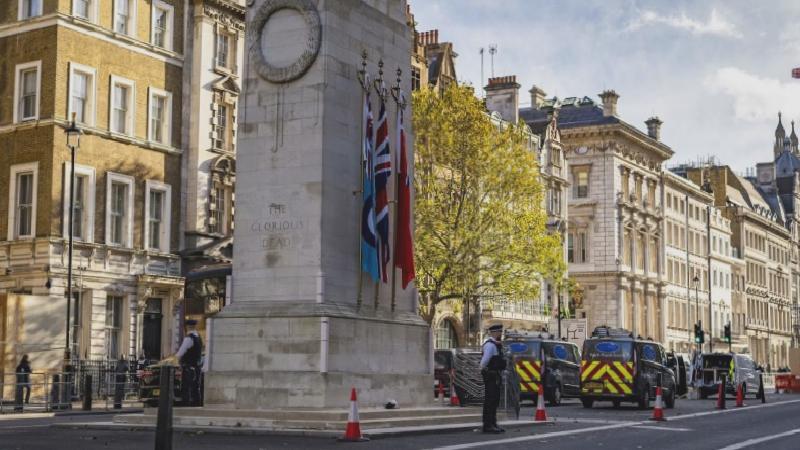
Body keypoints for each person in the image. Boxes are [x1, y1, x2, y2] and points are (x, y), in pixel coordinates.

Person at [479, 324, 506, 434]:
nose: (500, 334)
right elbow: (484, 361)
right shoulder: (490, 345)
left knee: (494, 400)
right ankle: (488, 425)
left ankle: (493, 423)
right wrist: (482, 369)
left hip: (495, 375)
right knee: (490, 400)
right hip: (491, 375)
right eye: (499, 332)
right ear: (494, 333)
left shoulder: (496, 344)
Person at [176, 319, 203, 406]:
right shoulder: (198, 337)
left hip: (189, 367)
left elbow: (181, 352)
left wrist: (174, 359)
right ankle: (197, 404)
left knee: (186, 387)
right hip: (197, 367)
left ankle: (186, 405)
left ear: (187, 327)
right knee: (196, 387)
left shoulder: (189, 338)